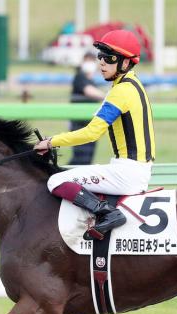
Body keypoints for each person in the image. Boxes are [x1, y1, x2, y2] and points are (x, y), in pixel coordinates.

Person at [34, 29, 155, 240]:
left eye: (108, 58)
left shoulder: (120, 92)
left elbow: (91, 133)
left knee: (56, 181)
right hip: (131, 169)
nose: (101, 62)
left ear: (125, 63)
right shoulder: (133, 85)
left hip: (127, 173)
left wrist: (52, 142)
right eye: (100, 56)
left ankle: (107, 212)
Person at [68, 52, 105, 165]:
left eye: (92, 61)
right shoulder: (80, 77)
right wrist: (109, 96)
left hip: (91, 124)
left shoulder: (92, 81)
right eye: (87, 60)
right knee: (80, 157)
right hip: (79, 124)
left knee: (87, 158)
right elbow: (88, 91)